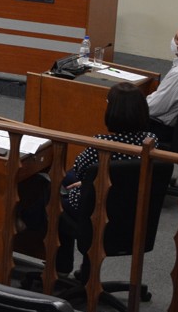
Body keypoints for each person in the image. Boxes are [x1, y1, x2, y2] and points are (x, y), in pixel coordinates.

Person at [55, 82, 157, 275]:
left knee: (53, 196)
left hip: (96, 208)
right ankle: (84, 269)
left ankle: (61, 267)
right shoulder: (151, 141)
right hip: (133, 210)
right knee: (69, 179)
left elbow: (79, 168)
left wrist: (86, 181)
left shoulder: (102, 144)